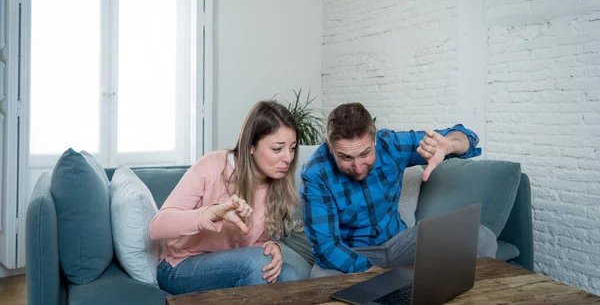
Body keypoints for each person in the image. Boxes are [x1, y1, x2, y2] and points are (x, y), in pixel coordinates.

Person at [300, 102, 498, 278]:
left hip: (399, 243)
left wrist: (449, 145)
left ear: (375, 138)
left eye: (365, 153)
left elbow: (465, 135)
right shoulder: (316, 174)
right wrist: (370, 272)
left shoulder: (390, 145)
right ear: (330, 146)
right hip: (354, 251)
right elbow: (326, 247)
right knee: (320, 275)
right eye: (346, 157)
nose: (358, 167)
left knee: (481, 236)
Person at [150, 100, 301, 294]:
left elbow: (252, 243)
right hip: (179, 267)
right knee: (256, 263)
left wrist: (271, 246)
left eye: (292, 147)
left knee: (290, 277)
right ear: (251, 147)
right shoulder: (211, 165)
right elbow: (157, 227)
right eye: (277, 148)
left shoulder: (276, 183)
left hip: (235, 265)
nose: (288, 158)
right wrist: (211, 213)